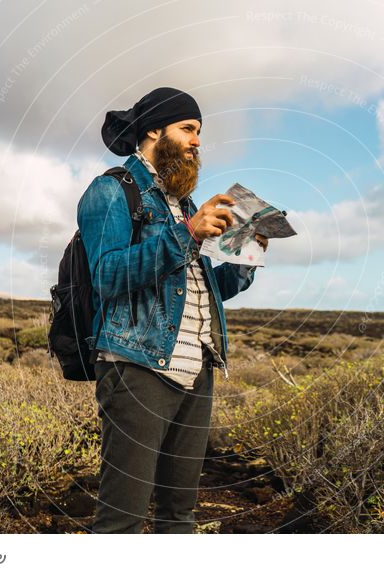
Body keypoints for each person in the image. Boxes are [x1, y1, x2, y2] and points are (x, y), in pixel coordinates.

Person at [78, 87, 268, 533]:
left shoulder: (180, 205)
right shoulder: (111, 191)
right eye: (188, 129)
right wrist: (188, 234)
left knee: (178, 516)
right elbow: (106, 275)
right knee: (120, 521)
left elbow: (202, 288)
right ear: (153, 130)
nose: (197, 141)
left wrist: (246, 256)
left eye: (199, 131)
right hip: (138, 368)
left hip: (197, 369)